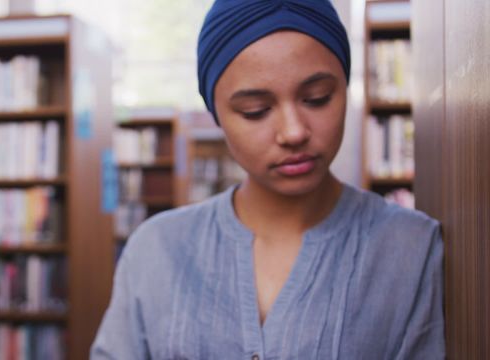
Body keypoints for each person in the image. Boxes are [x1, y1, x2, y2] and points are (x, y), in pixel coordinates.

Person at [91, 0, 444, 358]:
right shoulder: (156, 249)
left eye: (317, 99)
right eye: (255, 111)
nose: (293, 132)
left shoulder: (411, 247)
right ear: (217, 115)